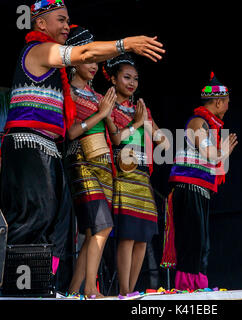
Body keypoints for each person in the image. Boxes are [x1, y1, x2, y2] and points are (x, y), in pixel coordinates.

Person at [0, 0, 165, 289]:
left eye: (68, 21)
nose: (67, 26)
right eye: (61, 20)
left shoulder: (58, 71)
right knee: (32, 221)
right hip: (31, 146)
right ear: (41, 23)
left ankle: (33, 288)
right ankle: (18, 292)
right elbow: (85, 52)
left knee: (46, 223)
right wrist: (126, 43)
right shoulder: (40, 49)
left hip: (47, 148)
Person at [161, 72, 238, 291]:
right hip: (188, 188)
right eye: (227, 103)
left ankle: (197, 286)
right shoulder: (198, 122)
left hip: (199, 189)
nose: (228, 107)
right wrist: (223, 152)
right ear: (219, 102)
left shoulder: (211, 125)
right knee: (191, 243)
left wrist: (221, 153)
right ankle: (186, 289)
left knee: (201, 243)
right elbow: (209, 153)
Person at [102, 53, 170, 295]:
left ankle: (131, 291)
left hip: (142, 177)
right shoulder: (107, 104)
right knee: (128, 235)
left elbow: (165, 143)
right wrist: (137, 123)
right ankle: (123, 289)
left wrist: (145, 121)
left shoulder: (140, 109)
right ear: (113, 80)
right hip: (122, 175)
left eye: (135, 79)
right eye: (126, 77)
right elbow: (116, 137)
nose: (132, 83)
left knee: (143, 237)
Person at [64, 25, 118, 299]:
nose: (95, 65)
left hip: (104, 165)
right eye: (89, 59)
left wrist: (114, 116)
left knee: (92, 231)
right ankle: (90, 288)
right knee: (102, 226)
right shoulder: (68, 93)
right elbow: (71, 132)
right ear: (75, 60)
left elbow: (117, 138)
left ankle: (75, 290)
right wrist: (101, 114)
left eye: (98, 60)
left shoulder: (98, 97)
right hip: (80, 160)